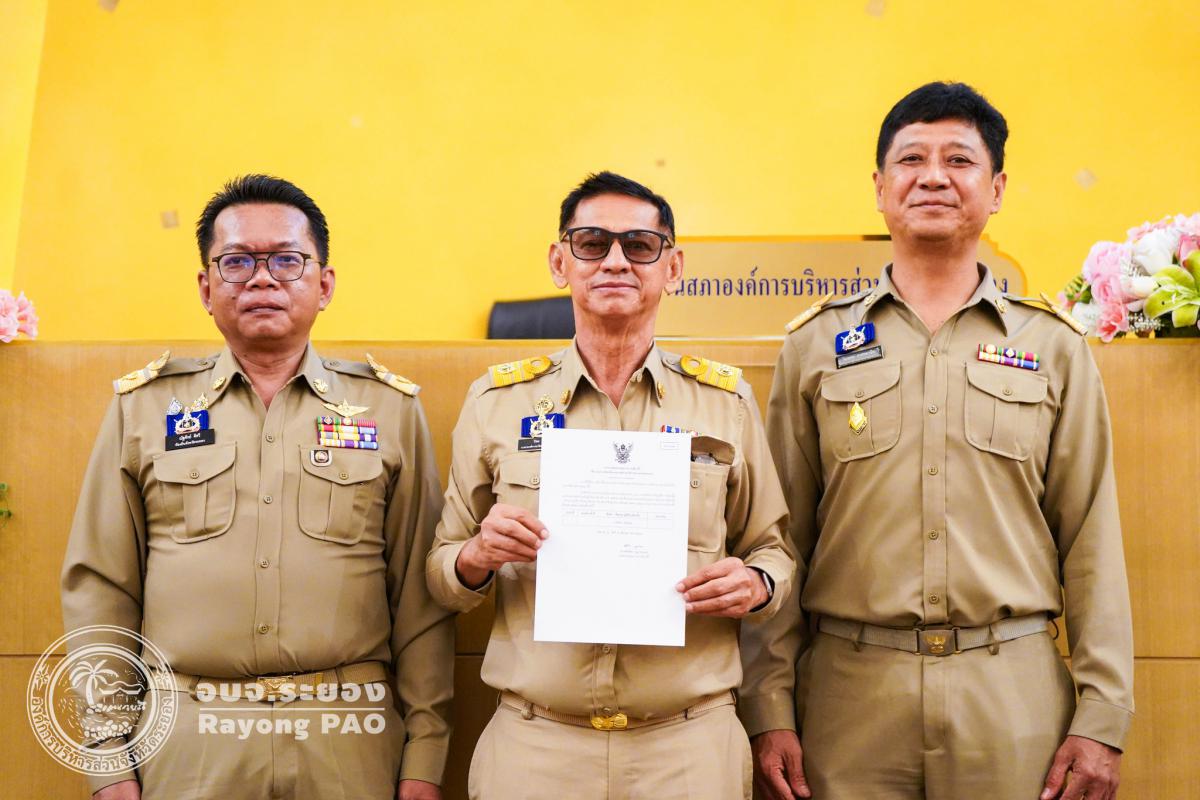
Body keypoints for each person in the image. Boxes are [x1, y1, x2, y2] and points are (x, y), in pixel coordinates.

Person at [740, 82, 1133, 800]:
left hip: (1011, 694)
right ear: (880, 187)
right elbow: (781, 539)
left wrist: (1102, 717)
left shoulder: (1053, 347)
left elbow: (1091, 538)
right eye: (911, 159)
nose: (933, 177)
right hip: (849, 695)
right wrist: (768, 707)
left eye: (959, 160)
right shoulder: (815, 345)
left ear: (996, 188)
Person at [61, 174, 453, 800]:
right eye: (238, 261)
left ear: (324, 285)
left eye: (287, 261)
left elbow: (419, 599)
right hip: (189, 737)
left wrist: (425, 756)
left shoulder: (389, 410)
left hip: (347, 735)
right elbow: (102, 591)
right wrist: (108, 760)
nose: (262, 280)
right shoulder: (144, 409)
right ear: (205, 287)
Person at [426, 171, 794, 799]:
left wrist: (756, 584)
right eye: (593, 243)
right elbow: (440, 574)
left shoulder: (725, 402)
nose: (616, 261)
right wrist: (477, 556)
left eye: (640, 246)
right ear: (559, 262)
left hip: (687, 746)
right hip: (538, 745)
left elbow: (774, 550)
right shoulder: (496, 403)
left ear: (673, 267)